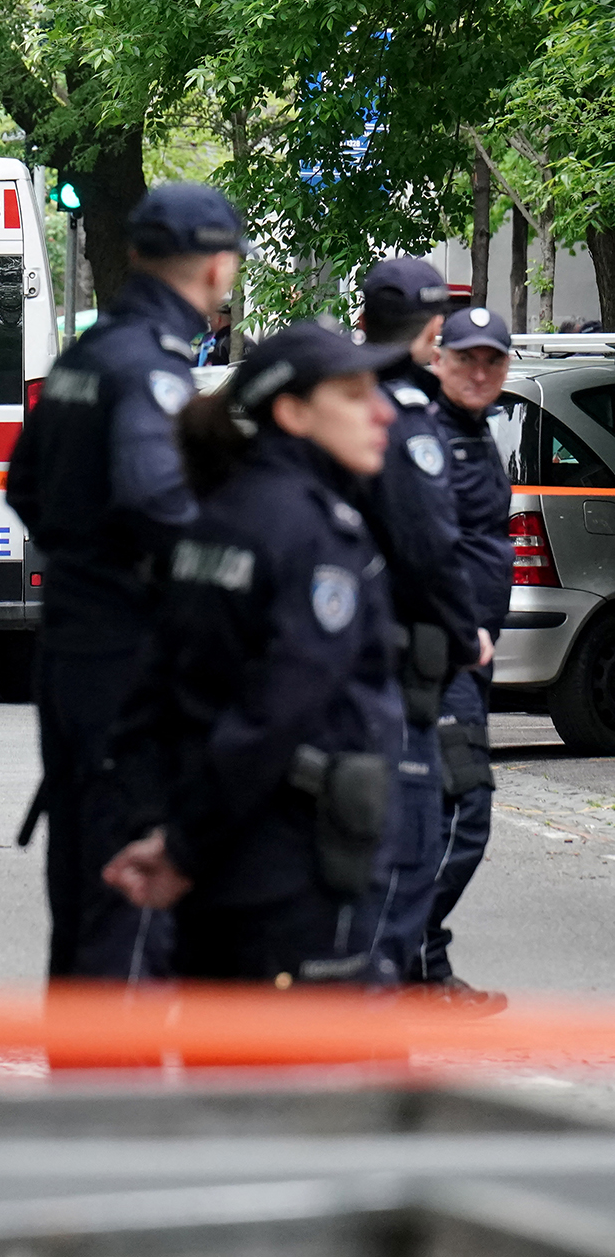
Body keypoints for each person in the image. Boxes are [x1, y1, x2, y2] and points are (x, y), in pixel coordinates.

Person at [102, 319, 405, 984]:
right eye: (354, 395)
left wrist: (159, 827)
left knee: (223, 1076)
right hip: (293, 872)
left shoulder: (217, 519)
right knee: (304, 1081)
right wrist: (179, 845)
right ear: (294, 412)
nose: (382, 410)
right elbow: (277, 710)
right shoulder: (317, 534)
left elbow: (150, 697)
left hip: (222, 873)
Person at [4, 182, 246, 980]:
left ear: (136, 254)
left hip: (73, 648)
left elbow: (24, 487)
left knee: (80, 889)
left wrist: (86, 560)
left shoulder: (83, 356)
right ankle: (120, 1097)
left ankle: (82, 1088)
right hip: (130, 663)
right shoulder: (151, 372)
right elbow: (160, 504)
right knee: (132, 900)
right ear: (216, 268)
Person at [352, 259, 484, 987]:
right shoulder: (406, 414)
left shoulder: (341, 396)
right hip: (402, 660)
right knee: (412, 837)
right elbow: (432, 546)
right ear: (434, 330)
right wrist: (468, 637)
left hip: (335, 651)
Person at [417, 306, 515, 1011]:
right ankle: (404, 955)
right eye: (467, 358)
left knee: (442, 812)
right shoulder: (427, 438)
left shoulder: (479, 434)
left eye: (493, 360)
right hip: (439, 654)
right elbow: (424, 549)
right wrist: (458, 630)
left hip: (469, 654)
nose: (479, 371)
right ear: (439, 360)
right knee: (464, 810)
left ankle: (419, 964)